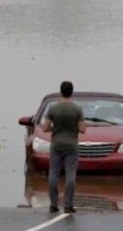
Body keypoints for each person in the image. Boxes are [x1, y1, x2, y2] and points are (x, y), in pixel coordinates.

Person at [42, 80, 86, 214]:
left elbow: (45, 128)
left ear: (61, 91)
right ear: (72, 92)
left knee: (53, 173)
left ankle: (53, 204)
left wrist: (54, 128)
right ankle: (68, 205)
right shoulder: (77, 109)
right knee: (70, 174)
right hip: (71, 145)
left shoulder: (53, 108)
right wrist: (73, 128)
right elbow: (82, 130)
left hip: (56, 144)